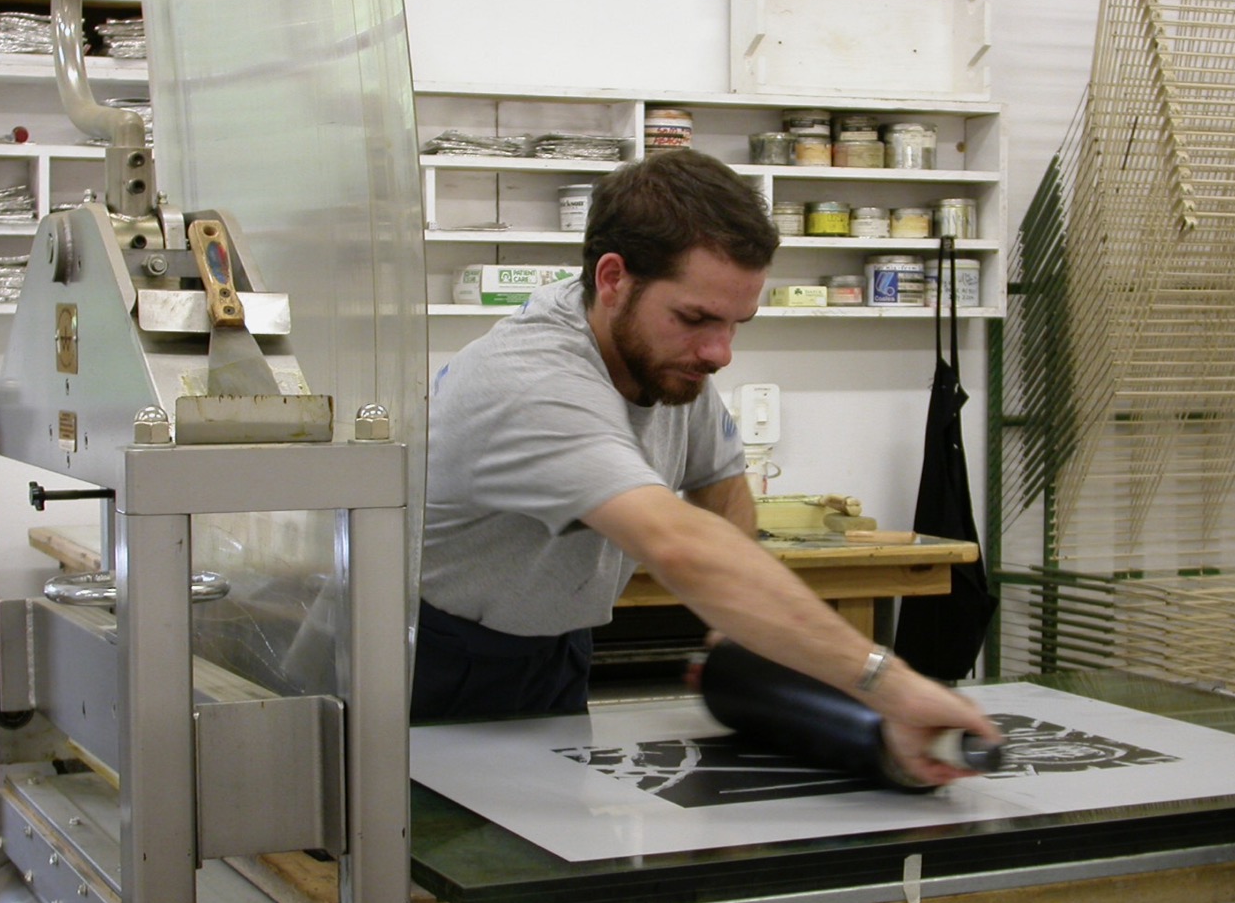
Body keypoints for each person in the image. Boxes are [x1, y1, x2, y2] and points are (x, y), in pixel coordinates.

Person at [415, 149, 999, 785]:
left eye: (734, 323)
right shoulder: (533, 383)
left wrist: (745, 628)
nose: (720, 352)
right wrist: (889, 683)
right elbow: (682, 547)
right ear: (612, 278)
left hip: (557, 647)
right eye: (696, 319)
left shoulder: (660, 353)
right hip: (438, 662)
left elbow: (720, 489)